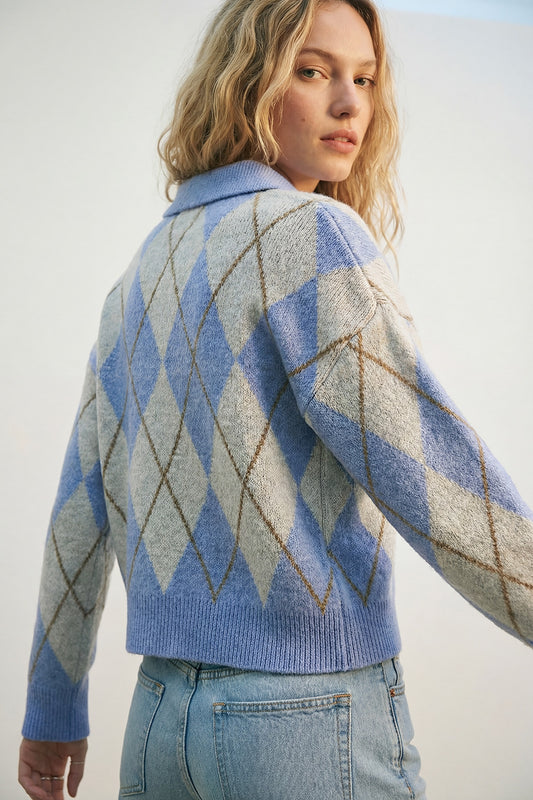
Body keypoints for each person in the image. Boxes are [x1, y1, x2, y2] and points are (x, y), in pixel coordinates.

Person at [19, 0, 533, 798]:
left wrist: (52, 709)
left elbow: (79, 510)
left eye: (365, 79)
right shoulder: (309, 235)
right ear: (246, 82)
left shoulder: (142, 272)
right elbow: (429, 470)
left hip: (158, 724)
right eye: (313, 71)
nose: (349, 103)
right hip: (300, 718)